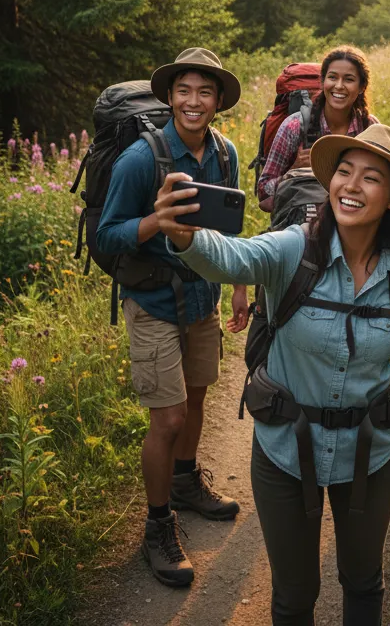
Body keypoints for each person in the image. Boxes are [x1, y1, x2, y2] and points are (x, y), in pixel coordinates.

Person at [155, 123, 390, 626]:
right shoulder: (293, 248)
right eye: (344, 172)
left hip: (369, 455)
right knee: (294, 592)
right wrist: (186, 237)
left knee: (362, 579)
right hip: (285, 450)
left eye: (370, 178)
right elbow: (234, 258)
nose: (351, 186)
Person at [96, 47, 246, 588]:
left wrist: (239, 288)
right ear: (169, 96)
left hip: (202, 298)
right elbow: (105, 235)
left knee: (200, 395)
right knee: (169, 418)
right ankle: (157, 525)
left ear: (218, 101)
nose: (193, 100)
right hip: (154, 301)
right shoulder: (141, 159)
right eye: (184, 90)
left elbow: (228, 230)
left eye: (205, 91)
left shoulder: (223, 153)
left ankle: (186, 483)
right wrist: (153, 221)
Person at [257, 45, 378, 211]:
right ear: (322, 81)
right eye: (332, 77)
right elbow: (264, 193)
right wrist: (293, 171)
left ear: (362, 87)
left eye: (349, 79)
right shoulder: (294, 127)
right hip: (302, 229)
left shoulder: (370, 128)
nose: (339, 86)